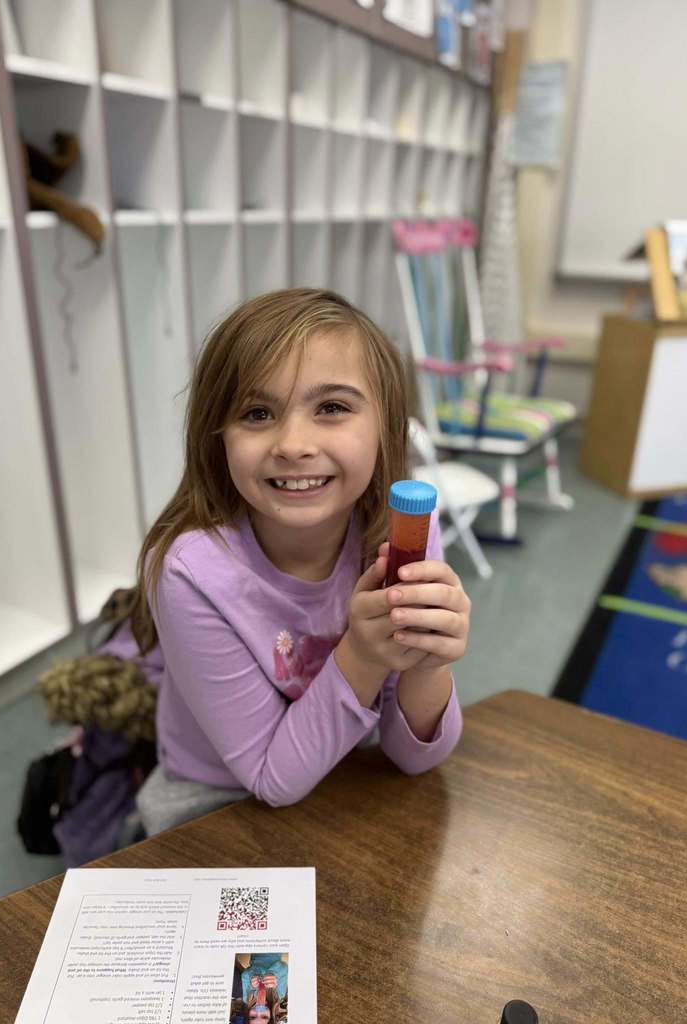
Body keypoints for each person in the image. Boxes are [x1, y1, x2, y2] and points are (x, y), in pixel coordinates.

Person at [130, 288, 469, 835]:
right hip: (218, 799)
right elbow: (272, 780)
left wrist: (429, 663)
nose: (292, 444)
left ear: (386, 427)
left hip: (345, 769)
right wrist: (364, 654)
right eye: (257, 413)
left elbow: (414, 758)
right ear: (217, 438)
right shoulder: (192, 573)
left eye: (331, 408)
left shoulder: (402, 534)